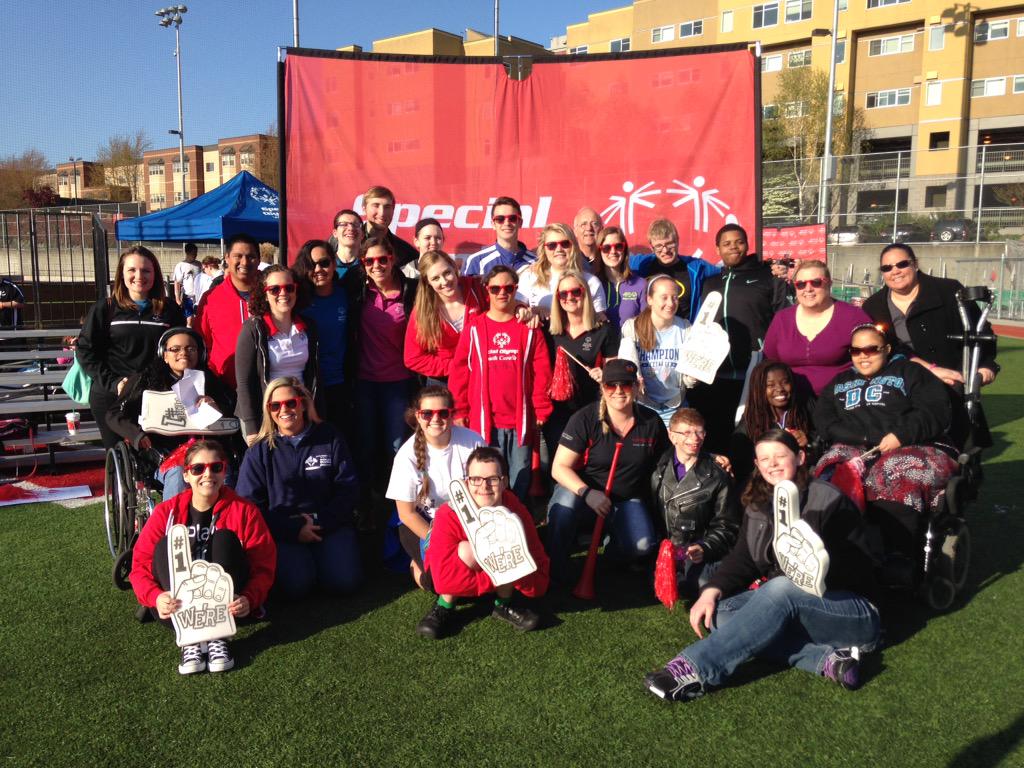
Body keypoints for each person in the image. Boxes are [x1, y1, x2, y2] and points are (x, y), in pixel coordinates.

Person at [644, 429, 881, 702]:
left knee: (782, 589)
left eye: (781, 456)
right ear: (756, 464)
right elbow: (744, 558)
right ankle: (826, 659)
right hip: (794, 605)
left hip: (855, 613)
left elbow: (865, 564)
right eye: (764, 458)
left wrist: (821, 563)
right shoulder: (758, 502)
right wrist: (712, 590)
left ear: (800, 457)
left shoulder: (828, 500)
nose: (773, 464)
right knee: (721, 614)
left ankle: (695, 669)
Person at [129, 439, 276, 675]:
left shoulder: (244, 510)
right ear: (186, 476)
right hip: (177, 609)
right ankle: (190, 640)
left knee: (225, 539)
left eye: (215, 467)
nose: (207, 474)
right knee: (168, 542)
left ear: (224, 471)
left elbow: (263, 564)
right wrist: (155, 597)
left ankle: (218, 636)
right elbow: (140, 565)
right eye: (198, 469)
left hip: (228, 605)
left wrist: (250, 597)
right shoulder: (166, 512)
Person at [814, 323, 956, 558]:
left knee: (892, 477)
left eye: (871, 349)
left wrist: (900, 435)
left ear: (887, 348)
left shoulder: (910, 372)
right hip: (854, 445)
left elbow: (934, 410)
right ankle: (828, 549)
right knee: (828, 474)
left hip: (913, 444)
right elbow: (824, 420)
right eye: (855, 351)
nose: (863, 356)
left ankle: (897, 557)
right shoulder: (839, 381)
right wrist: (863, 438)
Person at [862, 243, 999, 447]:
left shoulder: (948, 291)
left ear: (915, 264)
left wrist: (985, 365)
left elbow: (981, 332)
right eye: (887, 268)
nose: (895, 271)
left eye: (902, 264)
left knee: (959, 450)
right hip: (904, 386)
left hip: (952, 384)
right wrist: (930, 370)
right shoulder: (874, 305)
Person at [236, 377, 361, 600]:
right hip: (283, 530)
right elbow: (250, 506)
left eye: (291, 403)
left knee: (344, 582)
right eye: (275, 405)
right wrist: (293, 529)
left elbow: (348, 488)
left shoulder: (330, 437)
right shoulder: (258, 452)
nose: (284, 410)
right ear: (268, 410)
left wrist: (322, 521)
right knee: (296, 586)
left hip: (329, 523)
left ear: (302, 404)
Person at [547, 359, 670, 585]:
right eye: (611, 385)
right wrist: (587, 493)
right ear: (602, 388)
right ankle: (556, 564)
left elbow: (671, 458)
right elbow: (559, 467)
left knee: (641, 546)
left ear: (636, 386)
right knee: (563, 510)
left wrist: (711, 457)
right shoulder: (584, 418)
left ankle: (610, 549)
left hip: (626, 498)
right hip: (583, 494)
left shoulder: (651, 421)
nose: (619, 391)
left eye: (626, 384)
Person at [417, 446, 549, 639]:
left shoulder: (515, 509)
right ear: (467, 482)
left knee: (508, 544)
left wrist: (509, 563)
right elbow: (443, 578)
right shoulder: (449, 512)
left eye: (492, 480)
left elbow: (538, 565)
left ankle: (503, 604)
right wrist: (503, 570)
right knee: (468, 549)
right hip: (446, 578)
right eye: (476, 479)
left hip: (485, 576)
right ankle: (444, 607)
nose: (484, 487)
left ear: (504, 482)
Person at [449, 265, 552, 500]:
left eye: (508, 287)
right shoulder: (474, 328)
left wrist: (541, 407)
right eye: (495, 288)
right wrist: (460, 409)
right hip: (485, 421)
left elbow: (542, 371)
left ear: (516, 289)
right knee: (487, 481)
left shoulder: (529, 329)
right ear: (487, 290)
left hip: (520, 420)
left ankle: (519, 524)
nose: (502, 293)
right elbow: (460, 371)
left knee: (519, 479)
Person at [688, 224, 788, 454]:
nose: (734, 247)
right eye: (727, 243)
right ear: (718, 249)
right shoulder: (711, 283)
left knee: (748, 440)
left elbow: (783, 321)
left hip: (752, 376)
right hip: (714, 378)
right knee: (714, 439)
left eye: (739, 242)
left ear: (747, 244)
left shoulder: (767, 277)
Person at [107, 327, 240, 498]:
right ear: (164, 354)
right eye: (175, 349)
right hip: (161, 456)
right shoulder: (145, 380)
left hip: (210, 451)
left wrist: (217, 406)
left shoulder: (213, 382)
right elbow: (114, 414)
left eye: (190, 348)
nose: (183, 353)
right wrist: (137, 435)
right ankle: (173, 522)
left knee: (222, 470)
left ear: (200, 353)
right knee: (178, 473)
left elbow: (232, 412)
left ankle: (227, 519)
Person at [77, 246, 185, 448]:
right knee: (119, 454)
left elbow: (181, 350)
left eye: (146, 270)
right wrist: (114, 382)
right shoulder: (105, 308)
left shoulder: (170, 309)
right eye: (132, 270)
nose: (139, 276)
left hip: (156, 395)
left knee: (159, 455)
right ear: (121, 274)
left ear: (155, 274)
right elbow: (85, 351)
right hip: (112, 395)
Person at [386, 385, 484, 590]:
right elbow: (407, 514)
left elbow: (491, 489)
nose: (435, 419)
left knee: (482, 568)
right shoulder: (406, 456)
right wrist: (443, 540)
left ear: (452, 414)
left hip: (468, 520)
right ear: (417, 416)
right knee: (440, 583)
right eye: (427, 413)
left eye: (443, 413)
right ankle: (416, 565)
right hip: (425, 522)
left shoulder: (473, 441)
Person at [349, 236, 418, 518]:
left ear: (393, 260)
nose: (377, 266)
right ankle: (368, 509)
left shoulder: (411, 291)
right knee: (365, 448)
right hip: (364, 382)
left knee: (396, 449)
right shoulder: (356, 292)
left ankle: (398, 515)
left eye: (383, 259)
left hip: (399, 384)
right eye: (369, 261)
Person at [651, 408, 740, 596]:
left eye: (699, 432)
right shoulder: (657, 465)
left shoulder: (718, 476)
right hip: (664, 549)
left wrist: (705, 548)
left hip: (696, 550)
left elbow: (727, 526)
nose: (695, 438)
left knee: (701, 584)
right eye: (686, 432)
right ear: (671, 435)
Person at [234, 266, 320, 444]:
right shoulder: (253, 329)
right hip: (266, 414)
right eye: (274, 289)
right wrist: (251, 428)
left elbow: (315, 375)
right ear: (264, 294)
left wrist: (316, 413)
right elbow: (243, 382)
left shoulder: (309, 327)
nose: (283, 293)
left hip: (298, 411)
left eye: (289, 288)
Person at [763, 260, 870, 398]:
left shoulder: (853, 316)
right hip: (792, 402)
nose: (808, 289)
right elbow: (769, 362)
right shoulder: (782, 319)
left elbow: (872, 358)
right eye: (801, 284)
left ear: (829, 283)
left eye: (816, 282)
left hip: (840, 402)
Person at [544, 270, 620, 464]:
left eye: (575, 292)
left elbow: (614, 372)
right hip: (558, 414)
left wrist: (604, 374)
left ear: (585, 293)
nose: (569, 297)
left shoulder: (603, 330)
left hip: (591, 412)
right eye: (563, 294)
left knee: (590, 465)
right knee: (560, 467)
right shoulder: (549, 330)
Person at [618, 274, 695, 426]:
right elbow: (626, 363)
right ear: (650, 299)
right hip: (642, 406)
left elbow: (688, 379)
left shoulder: (685, 328)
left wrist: (694, 376)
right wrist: (634, 376)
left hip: (675, 406)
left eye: (674, 297)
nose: (671, 303)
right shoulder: (632, 327)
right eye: (664, 297)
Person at [293, 239, 353, 434]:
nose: (318, 269)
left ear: (334, 263)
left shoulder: (347, 295)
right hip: (308, 386)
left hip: (341, 385)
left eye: (324, 263)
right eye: (312, 265)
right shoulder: (297, 300)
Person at [404, 250, 488, 384]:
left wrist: (520, 307)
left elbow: (505, 301)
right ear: (428, 282)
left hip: (481, 375)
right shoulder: (422, 311)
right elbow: (413, 358)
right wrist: (455, 366)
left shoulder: (478, 289)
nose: (444, 281)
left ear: (455, 268)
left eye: (447, 273)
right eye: (435, 278)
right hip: (443, 382)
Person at [730, 360, 814, 490]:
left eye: (785, 382)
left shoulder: (804, 408)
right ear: (759, 389)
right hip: (765, 488)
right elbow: (743, 472)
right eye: (770, 385)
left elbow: (825, 441)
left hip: (805, 482)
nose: (780, 389)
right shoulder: (749, 424)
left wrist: (809, 442)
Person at [195, 233, 261, 389]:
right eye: (238, 256)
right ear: (227, 258)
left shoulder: (273, 294)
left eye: (250, 256)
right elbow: (201, 342)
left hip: (268, 387)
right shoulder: (211, 298)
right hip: (225, 386)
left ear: (258, 260)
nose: (244, 262)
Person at [629, 218, 719, 322]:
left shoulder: (696, 267)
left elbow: (725, 272)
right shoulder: (641, 264)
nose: (665, 250)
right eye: (658, 246)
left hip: (685, 333)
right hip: (651, 333)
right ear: (651, 247)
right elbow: (617, 262)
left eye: (670, 244)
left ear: (677, 241)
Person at [515, 224, 606, 317]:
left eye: (565, 244)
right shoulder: (529, 276)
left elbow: (600, 321)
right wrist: (534, 310)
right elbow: (516, 309)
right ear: (544, 249)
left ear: (574, 247)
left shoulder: (591, 282)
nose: (559, 249)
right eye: (552, 245)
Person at [462, 196, 537, 276]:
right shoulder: (476, 261)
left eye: (512, 218)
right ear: (493, 224)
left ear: (520, 222)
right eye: (500, 219)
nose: (507, 223)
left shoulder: (537, 262)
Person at [593, 226, 646, 328]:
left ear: (624, 249)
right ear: (599, 251)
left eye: (618, 246)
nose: (613, 251)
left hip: (632, 342)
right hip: (602, 343)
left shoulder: (640, 284)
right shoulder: (593, 284)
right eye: (606, 248)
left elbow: (646, 325)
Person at [360, 185, 418, 269]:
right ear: (364, 209)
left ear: (393, 209)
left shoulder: (407, 252)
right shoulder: (345, 244)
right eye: (376, 206)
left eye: (387, 207)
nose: (382, 213)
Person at [330, 208, 365, 280]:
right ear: (335, 233)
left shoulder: (370, 265)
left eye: (355, 224)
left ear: (362, 234)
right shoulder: (327, 264)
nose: (351, 228)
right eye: (344, 224)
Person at [172, 243, 201, 325]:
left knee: (198, 318)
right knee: (190, 319)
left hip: (198, 296)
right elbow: (177, 283)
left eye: (196, 253)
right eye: (193, 253)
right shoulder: (180, 265)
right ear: (187, 253)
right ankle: (189, 333)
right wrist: (177, 298)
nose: (195, 255)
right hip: (188, 297)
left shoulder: (199, 265)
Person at [573, 206, 603, 271]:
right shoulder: (570, 260)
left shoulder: (610, 257)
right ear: (575, 231)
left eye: (594, 224)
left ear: (601, 229)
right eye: (583, 224)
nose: (589, 228)